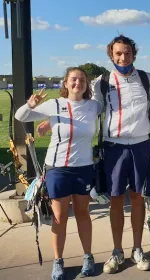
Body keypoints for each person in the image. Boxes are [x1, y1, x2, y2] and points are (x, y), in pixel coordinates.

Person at [15, 67, 102, 280]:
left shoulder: (94, 106)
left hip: (83, 168)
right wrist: (31, 105)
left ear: (87, 84)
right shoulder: (54, 105)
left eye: (82, 80)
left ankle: (88, 258)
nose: (77, 83)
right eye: (73, 79)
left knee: (83, 214)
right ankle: (58, 262)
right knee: (59, 217)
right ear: (65, 83)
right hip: (58, 169)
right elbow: (21, 116)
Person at [92, 35, 150, 273]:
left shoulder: (147, 78)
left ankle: (137, 249)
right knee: (116, 200)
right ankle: (117, 250)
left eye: (127, 53)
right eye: (118, 53)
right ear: (111, 55)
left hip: (141, 145)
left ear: (134, 54)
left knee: (138, 197)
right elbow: (91, 110)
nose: (123, 57)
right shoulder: (101, 81)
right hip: (114, 147)